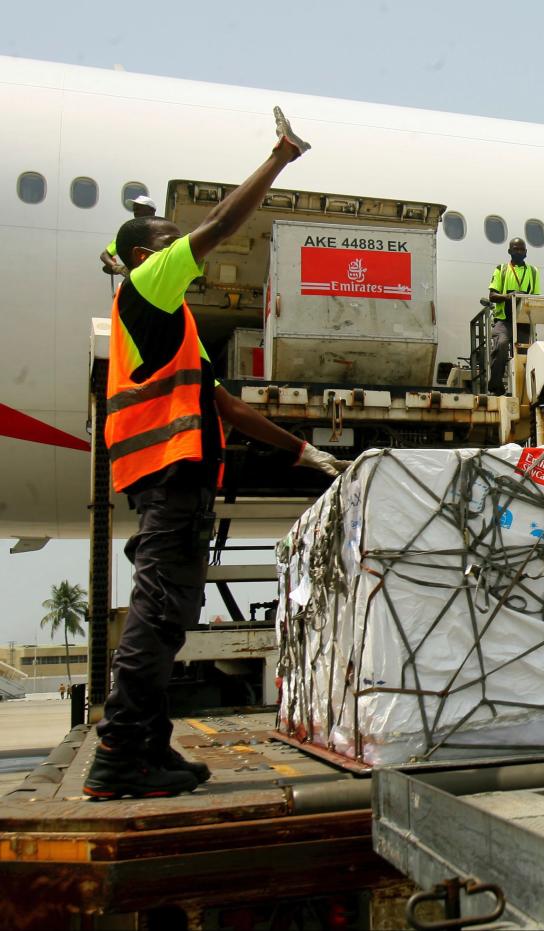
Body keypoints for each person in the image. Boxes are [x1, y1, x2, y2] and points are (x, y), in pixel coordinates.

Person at [84, 110, 348, 800]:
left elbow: (221, 404)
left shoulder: (177, 324)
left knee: (172, 610)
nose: (185, 250)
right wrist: (278, 159)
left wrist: (305, 455)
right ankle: (118, 756)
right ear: (146, 259)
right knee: (160, 611)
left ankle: (152, 746)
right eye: (170, 243)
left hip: (176, 476)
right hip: (166, 475)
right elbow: (224, 225)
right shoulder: (145, 289)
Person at [487, 237, 540, 394]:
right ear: (509, 251)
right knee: (501, 344)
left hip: (523, 321)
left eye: (521, 249)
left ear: (526, 252)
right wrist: (509, 296)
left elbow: (536, 297)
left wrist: (522, 298)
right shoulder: (501, 269)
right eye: (515, 249)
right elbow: (492, 295)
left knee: (525, 355)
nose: (519, 252)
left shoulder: (533, 272)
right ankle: (496, 385)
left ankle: (524, 391)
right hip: (504, 320)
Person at [100, 194, 159, 279]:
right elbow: (104, 255)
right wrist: (118, 268)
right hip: (135, 281)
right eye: (134, 209)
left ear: (151, 210)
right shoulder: (128, 233)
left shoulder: (163, 231)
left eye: (139, 208)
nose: (135, 211)